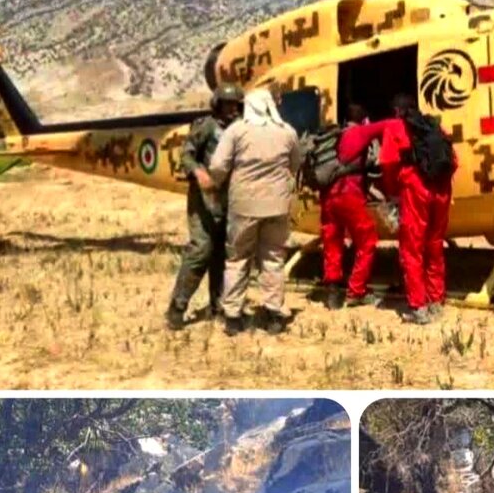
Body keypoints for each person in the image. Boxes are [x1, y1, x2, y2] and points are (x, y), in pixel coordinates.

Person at [204, 88, 302, 336]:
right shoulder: (287, 132)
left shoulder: (237, 131)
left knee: (238, 259)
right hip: (277, 207)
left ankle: (233, 316)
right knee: (273, 259)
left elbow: (217, 166)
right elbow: (295, 164)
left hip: (244, 207)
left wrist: (218, 182)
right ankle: (273, 313)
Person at [166, 83, 244, 330]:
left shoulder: (240, 129)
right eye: (227, 104)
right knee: (201, 250)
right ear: (217, 105)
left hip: (230, 199)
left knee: (222, 252)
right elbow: (187, 155)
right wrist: (199, 172)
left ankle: (217, 303)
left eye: (235, 105)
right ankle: (178, 306)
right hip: (205, 198)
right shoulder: (206, 126)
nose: (232, 109)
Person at [378, 93, 457, 325]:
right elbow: (454, 160)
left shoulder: (395, 127)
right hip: (441, 189)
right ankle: (436, 301)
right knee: (434, 245)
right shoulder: (434, 124)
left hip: (415, 188)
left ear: (396, 111)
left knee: (412, 249)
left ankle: (418, 307)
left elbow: (388, 162)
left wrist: (393, 191)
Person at [320, 104, 390, 309]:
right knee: (367, 241)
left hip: (328, 197)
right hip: (349, 196)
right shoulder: (360, 131)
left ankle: (332, 294)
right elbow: (388, 124)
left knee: (332, 244)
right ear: (362, 119)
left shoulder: (334, 137)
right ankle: (356, 291)